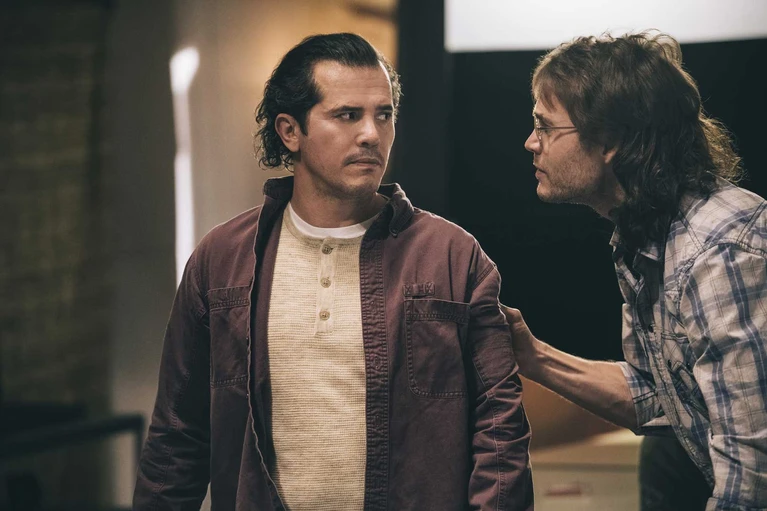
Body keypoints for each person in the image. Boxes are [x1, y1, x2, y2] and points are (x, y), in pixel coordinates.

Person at [134, 33, 533, 510]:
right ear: (290, 131)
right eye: (347, 115)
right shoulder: (222, 260)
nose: (371, 134)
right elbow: (177, 438)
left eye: (383, 115)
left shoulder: (451, 256)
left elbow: (500, 432)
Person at [502, 31, 767, 511]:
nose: (530, 142)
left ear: (610, 141)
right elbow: (661, 399)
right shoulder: (647, 237)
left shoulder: (720, 251)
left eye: (545, 127)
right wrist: (533, 357)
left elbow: (751, 477)